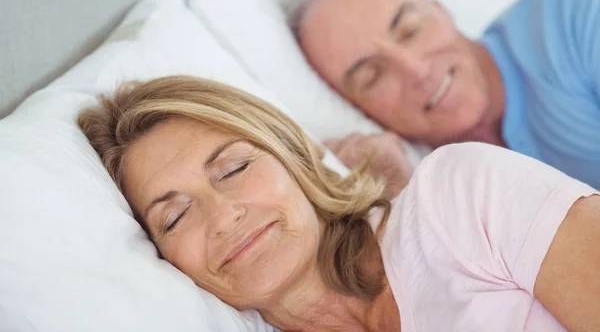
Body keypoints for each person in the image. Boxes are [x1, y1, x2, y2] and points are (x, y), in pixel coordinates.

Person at [78, 75, 600, 331]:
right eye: (175, 216)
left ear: (297, 160)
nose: (224, 216)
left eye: (234, 167)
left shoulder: (458, 197)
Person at [279, 0, 600, 190]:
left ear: (441, 9)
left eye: (410, 29)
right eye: (372, 76)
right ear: (358, 109)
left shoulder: (575, 4)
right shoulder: (436, 191)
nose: (416, 70)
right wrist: (399, 201)